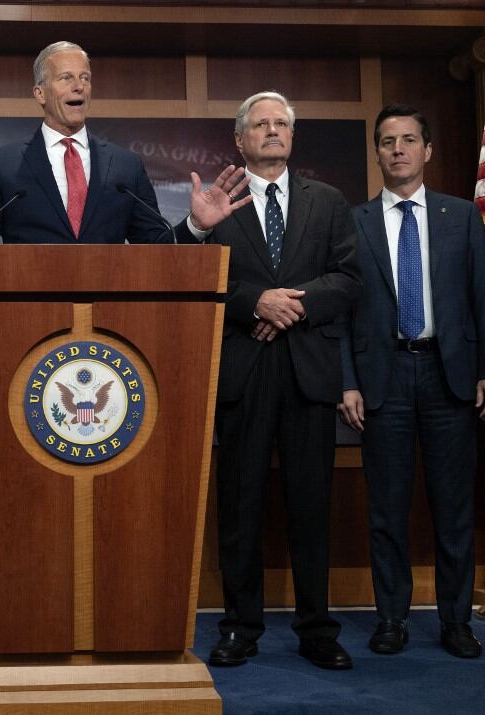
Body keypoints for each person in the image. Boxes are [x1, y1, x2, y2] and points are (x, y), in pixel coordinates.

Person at [183, 91, 361, 669]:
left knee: (312, 506)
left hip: (309, 371)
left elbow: (350, 278)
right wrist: (252, 302)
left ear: (292, 135)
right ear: (239, 140)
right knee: (240, 505)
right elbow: (191, 276)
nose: (272, 131)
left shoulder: (328, 201)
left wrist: (291, 305)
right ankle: (239, 626)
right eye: (260, 124)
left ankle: (317, 629)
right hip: (243, 372)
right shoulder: (219, 203)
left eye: (281, 123)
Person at [337, 104, 485, 659]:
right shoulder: (354, 222)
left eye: (409, 140)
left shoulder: (461, 217)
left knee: (452, 508)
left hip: (449, 376)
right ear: (378, 152)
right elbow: (341, 311)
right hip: (381, 378)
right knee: (386, 509)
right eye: (388, 142)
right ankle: (392, 618)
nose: (398, 150)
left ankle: (456, 622)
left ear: (427, 150)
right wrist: (348, 381)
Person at [0, 41, 179, 244]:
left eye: (85, 78)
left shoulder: (125, 166)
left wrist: (196, 225)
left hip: (110, 316)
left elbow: (160, 248)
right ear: (40, 93)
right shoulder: (2, 165)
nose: (79, 86)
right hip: (33, 317)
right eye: (66, 78)